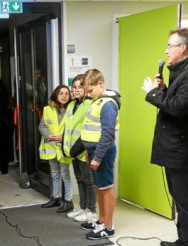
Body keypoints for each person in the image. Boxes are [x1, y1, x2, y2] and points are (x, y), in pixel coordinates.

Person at [141, 27, 188, 246]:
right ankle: (183, 241)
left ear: (182, 48)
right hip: (175, 148)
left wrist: (153, 93)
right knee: (180, 200)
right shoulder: (183, 72)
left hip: (183, 150)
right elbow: (175, 101)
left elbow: (178, 108)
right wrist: (164, 89)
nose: (166, 51)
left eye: (169, 46)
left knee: (187, 201)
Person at [79, 69, 120, 240]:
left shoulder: (108, 104)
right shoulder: (98, 100)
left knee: (106, 189)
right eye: (86, 91)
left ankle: (108, 227)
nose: (88, 94)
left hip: (102, 152)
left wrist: (97, 157)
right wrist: (90, 153)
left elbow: (108, 134)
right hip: (94, 151)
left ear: (100, 84)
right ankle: (101, 220)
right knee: (99, 188)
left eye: (90, 90)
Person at [63, 74, 97, 222]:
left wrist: (77, 148)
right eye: (74, 87)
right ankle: (82, 207)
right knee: (79, 179)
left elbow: (87, 129)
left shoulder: (90, 104)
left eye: (79, 87)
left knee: (88, 180)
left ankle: (91, 210)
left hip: (84, 149)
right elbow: (68, 127)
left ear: (85, 87)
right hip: (73, 150)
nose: (76, 90)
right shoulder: (71, 105)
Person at [39, 85, 74, 213]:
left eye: (66, 94)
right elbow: (42, 126)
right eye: (61, 94)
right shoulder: (48, 109)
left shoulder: (71, 110)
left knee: (65, 174)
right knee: (54, 174)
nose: (64, 96)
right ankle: (56, 198)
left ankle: (68, 201)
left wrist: (62, 136)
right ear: (56, 95)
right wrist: (49, 135)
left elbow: (73, 128)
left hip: (63, 147)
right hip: (51, 147)